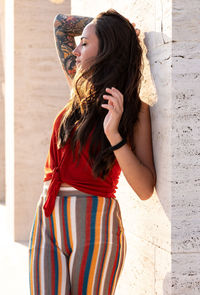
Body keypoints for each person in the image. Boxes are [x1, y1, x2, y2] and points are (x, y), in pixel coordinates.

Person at [28, 9, 156, 295]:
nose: (75, 49)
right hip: (48, 216)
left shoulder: (133, 109)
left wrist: (114, 135)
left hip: (95, 222)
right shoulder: (79, 88)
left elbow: (146, 187)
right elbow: (61, 24)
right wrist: (118, 30)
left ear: (107, 50)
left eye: (85, 44)